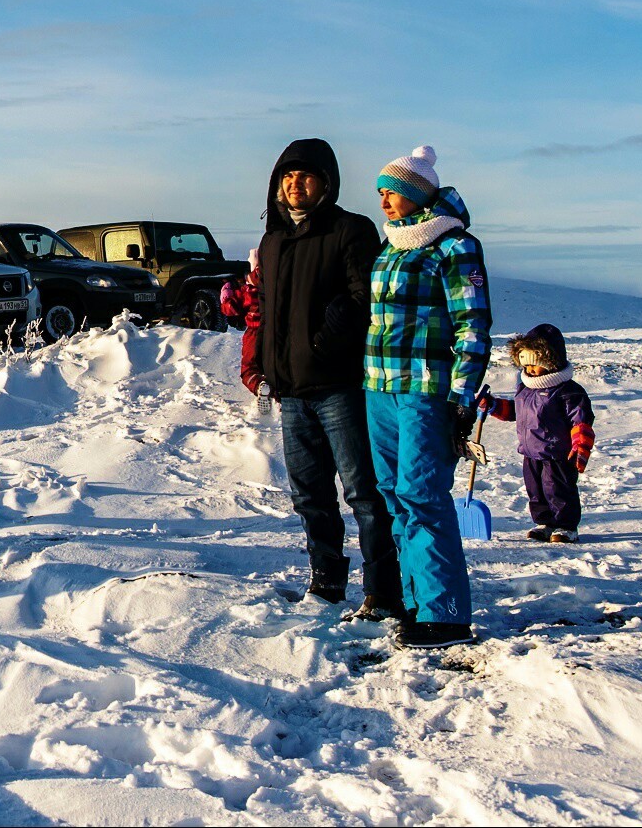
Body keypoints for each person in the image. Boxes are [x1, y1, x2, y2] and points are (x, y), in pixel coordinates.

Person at [252, 139, 402, 618]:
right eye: (287, 178)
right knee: (310, 495)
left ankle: (382, 588)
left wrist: (325, 340)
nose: (295, 185)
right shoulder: (273, 242)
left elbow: (365, 298)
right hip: (292, 392)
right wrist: (267, 368)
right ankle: (327, 582)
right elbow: (269, 315)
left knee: (363, 492)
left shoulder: (350, 230)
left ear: (327, 183)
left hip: (340, 386)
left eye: (306, 177)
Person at [365, 146, 492, 648]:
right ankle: (416, 603)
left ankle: (447, 613)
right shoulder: (390, 247)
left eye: (393, 192)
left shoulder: (455, 247)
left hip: (426, 391)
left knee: (423, 495)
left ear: (419, 194)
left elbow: (473, 325)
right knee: (394, 495)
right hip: (380, 387)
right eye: (381, 193)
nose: (385, 202)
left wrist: (462, 397)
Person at [479, 323, 595, 543]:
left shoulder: (567, 391)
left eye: (535, 364)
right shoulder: (525, 388)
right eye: (525, 364)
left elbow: (580, 421)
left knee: (558, 490)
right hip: (531, 452)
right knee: (536, 490)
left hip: (558, 454)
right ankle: (545, 522)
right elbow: (517, 410)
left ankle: (566, 526)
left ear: (551, 362)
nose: (529, 370)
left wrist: (581, 445)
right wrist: (493, 406)